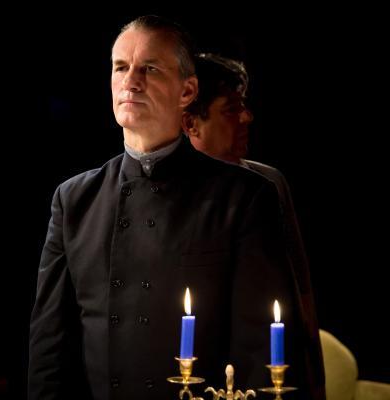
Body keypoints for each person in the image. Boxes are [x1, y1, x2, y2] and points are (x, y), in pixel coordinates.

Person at [28, 16, 313, 400]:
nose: (131, 81)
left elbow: (261, 347)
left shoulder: (244, 197)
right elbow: (49, 350)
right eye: (121, 67)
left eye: (149, 68)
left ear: (187, 91)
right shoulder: (73, 200)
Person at [182, 52, 326, 399]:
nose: (247, 117)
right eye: (231, 109)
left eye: (243, 105)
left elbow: (302, 294)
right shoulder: (171, 193)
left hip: (268, 370)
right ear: (191, 123)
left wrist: (315, 382)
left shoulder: (270, 183)